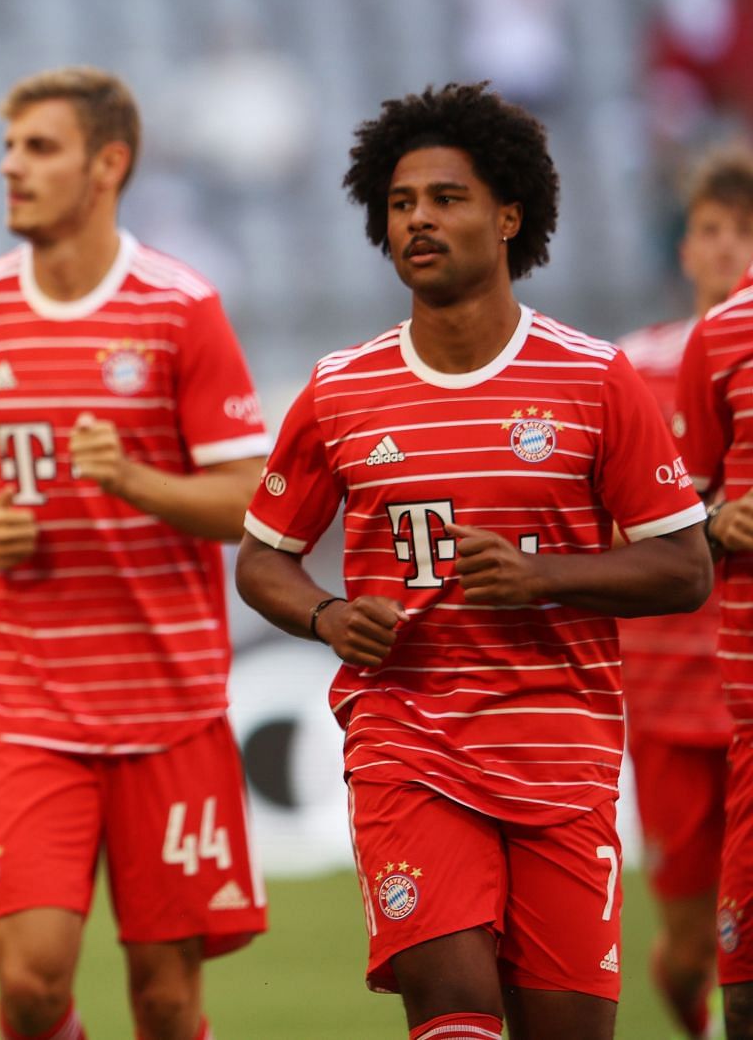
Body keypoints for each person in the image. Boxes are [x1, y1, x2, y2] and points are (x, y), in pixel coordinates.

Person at [236, 81, 712, 1040]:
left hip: (562, 752)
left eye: (445, 198)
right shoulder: (340, 389)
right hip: (407, 742)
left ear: (508, 216)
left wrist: (544, 576)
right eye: (402, 202)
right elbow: (263, 560)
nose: (419, 218)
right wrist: (328, 616)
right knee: (452, 1009)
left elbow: (683, 565)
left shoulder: (593, 378)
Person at [0, 66, 269, 1040]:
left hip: (169, 709)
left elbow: (251, 500)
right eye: (9, 148)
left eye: (40, 148)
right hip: (26, 709)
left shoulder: (181, 307)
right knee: (32, 979)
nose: (12, 168)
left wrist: (137, 480)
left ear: (109, 165)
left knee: (168, 998)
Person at [618, 148, 753, 1039]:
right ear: (685, 247)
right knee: (684, 946)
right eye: (710, 230)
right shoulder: (632, 367)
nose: (727, 249)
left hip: (737, 683)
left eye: (743, 232)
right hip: (667, 696)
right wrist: (711, 523)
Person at [676, 157, 753, 1040]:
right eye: (709, 227)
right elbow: (674, 516)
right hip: (699, 699)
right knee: (709, 954)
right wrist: (720, 519)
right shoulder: (714, 342)